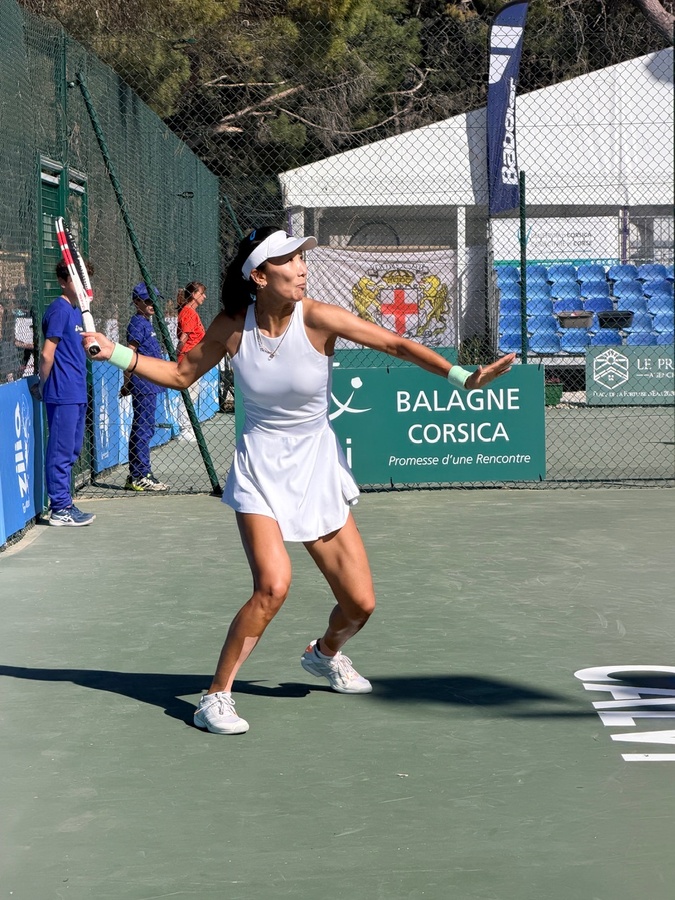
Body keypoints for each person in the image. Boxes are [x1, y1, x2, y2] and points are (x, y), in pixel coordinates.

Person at [83, 227, 514, 733]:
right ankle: (215, 697)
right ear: (260, 276)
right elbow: (182, 375)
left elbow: (395, 344)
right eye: (290, 259)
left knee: (361, 603)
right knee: (273, 585)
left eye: (302, 258)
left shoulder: (320, 319)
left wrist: (464, 377)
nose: (303, 267)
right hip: (259, 469)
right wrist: (113, 352)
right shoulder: (230, 327)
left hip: (316, 467)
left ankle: (325, 653)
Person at [37, 261, 95, 526]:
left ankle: (65, 502)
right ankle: (59, 508)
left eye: (85, 280)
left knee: (72, 450)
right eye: (77, 280)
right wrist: (44, 384)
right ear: (63, 282)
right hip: (62, 393)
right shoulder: (59, 310)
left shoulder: (76, 311)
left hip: (77, 391)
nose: (83, 285)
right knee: (60, 452)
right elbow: (47, 353)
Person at [121, 284, 170, 491]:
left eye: (153, 301)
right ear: (136, 302)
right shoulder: (137, 323)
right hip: (142, 383)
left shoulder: (147, 323)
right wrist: (127, 382)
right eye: (147, 301)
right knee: (143, 428)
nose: (152, 305)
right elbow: (129, 354)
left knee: (146, 427)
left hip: (151, 383)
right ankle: (140, 474)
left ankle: (138, 473)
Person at [175, 281, 207, 442]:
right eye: (201, 293)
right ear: (194, 294)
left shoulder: (192, 312)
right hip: (188, 358)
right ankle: (184, 428)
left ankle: (189, 426)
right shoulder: (188, 312)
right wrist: (178, 356)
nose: (204, 297)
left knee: (193, 394)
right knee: (188, 393)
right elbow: (183, 338)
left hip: (195, 359)